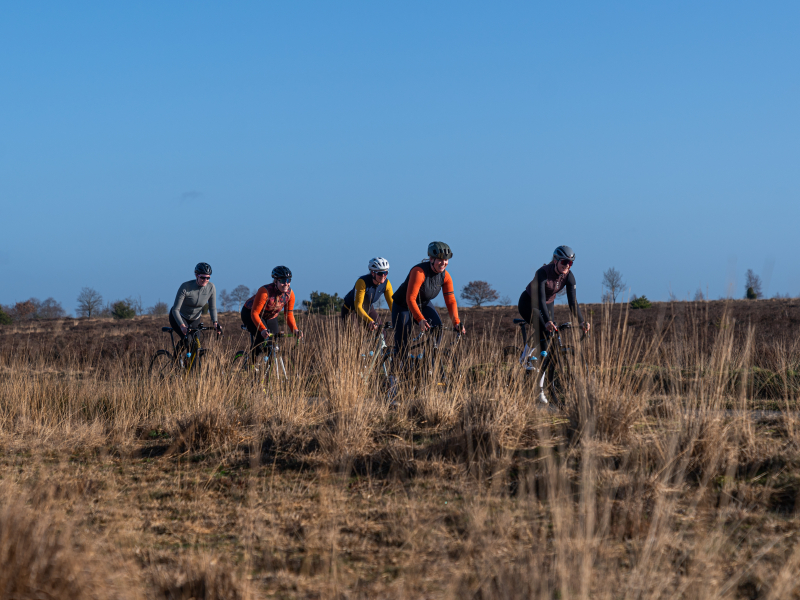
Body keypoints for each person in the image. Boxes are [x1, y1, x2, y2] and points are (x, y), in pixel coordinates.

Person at [518, 245, 590, 404]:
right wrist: (547, 322)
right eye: (565, 262)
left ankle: (540, 382)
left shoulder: (569, 277)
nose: (567, 266)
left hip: (547, 304)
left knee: (551, 335)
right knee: (544, 328)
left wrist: (582, 321)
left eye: (571, 263)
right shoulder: (543, 272)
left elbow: (573, 302)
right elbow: (540, 299)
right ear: (556, 260)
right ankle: (526, 359)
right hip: (530, 303)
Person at [391, 241, 466, 357]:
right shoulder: (419, 272)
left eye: (446, 260)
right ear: (431, 259)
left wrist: (456, 322)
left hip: (423, 304)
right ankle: (393, 374)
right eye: (440, 259)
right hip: (403, 306)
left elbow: (450, 301)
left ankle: (427, 367)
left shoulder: (445, 276)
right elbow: (410, 299)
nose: (443, 263)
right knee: (402, 344)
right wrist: (420, 319)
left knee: (438, 329)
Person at [241, 266, 302, 354]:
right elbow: (254, 313)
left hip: (270, 316)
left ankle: (269, 366)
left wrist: (295, 330)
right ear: (275, 281)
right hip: (250, 313)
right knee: (261, 338)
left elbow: (288, 314)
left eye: (288, 280)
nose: (286, 284)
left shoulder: (290, 294)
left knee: (273, 342)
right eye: (282, 281)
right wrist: (262, 329)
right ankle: (251, 364)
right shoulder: (264, 291)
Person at [170, 262, 222, 343]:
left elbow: (212, 308)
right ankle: (176, 355)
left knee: (196, 343)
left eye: (208, 278)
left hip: (195, 318)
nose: (205, 280)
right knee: (188, 341)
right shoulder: (186, 287)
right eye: (202, 277)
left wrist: (215, 323)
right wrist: (182, 326)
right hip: (180, 316)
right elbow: (175, 310)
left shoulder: (211, 287)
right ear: (196, 275)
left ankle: (196, 356)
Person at [341, 257, 394, 330]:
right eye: (380, 273)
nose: (383, 276)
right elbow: (358, 307)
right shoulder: (362, 282)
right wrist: (370, 321)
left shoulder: (387, 284)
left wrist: (398, 318)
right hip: (351, 310)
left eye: (385, 273)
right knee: (355, 336)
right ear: (372, 273)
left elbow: (392, 305)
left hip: (368, 309)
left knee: (381, 331)